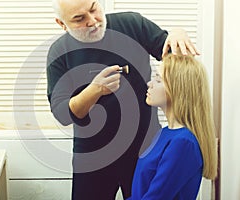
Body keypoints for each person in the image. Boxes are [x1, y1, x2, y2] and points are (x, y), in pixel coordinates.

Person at [46, 0, 200, 199]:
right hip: (93, 156)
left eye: (94, 9)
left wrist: (177, 32)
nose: (93, 21)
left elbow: (177, 58)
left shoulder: (132, 24)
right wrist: (94, 91)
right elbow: (62, 114)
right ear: (62, 23)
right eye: (79, 19)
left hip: (144, 149)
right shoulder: (60, 52)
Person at [127, 50, 218, 199]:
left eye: (158, 79)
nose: (149, 84)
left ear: (177, 88)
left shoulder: (183, 142)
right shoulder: (164, 133)